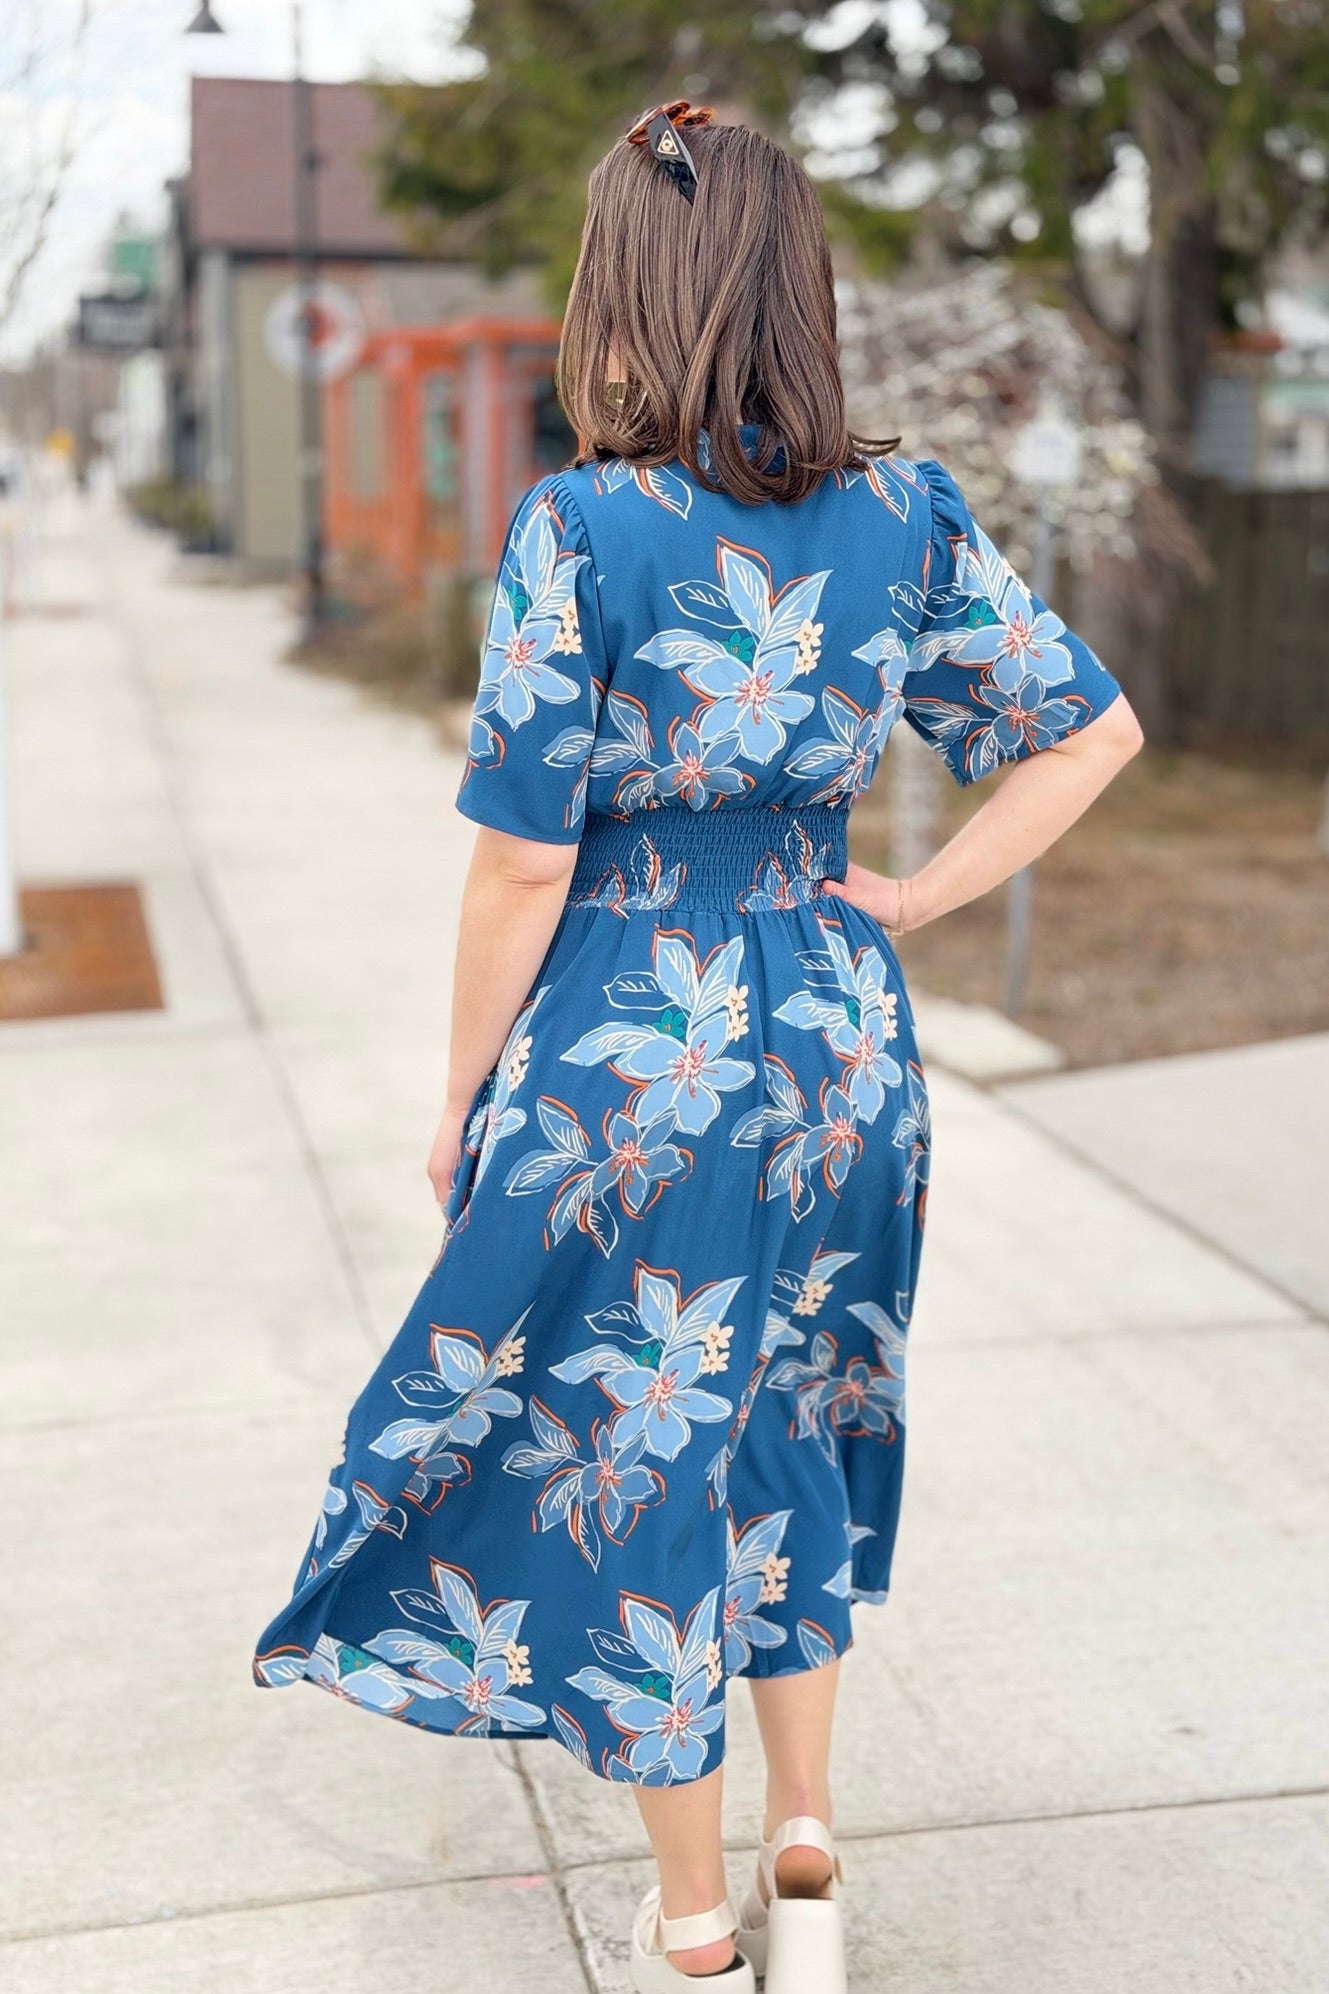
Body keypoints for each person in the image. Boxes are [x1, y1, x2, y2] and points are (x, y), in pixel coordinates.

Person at [253, 102, 1143, 1994]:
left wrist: (460, 1090)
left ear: (619, 297)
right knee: (790, 1409)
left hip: (629, 1047)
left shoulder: (582, 524)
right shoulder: (904, 511)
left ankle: (693, 1919)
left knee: (635, 1441)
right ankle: (804, 1833)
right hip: (835, 1041)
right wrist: (910, 898)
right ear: (797, 284)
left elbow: (518, 856)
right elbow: (1090, 730)